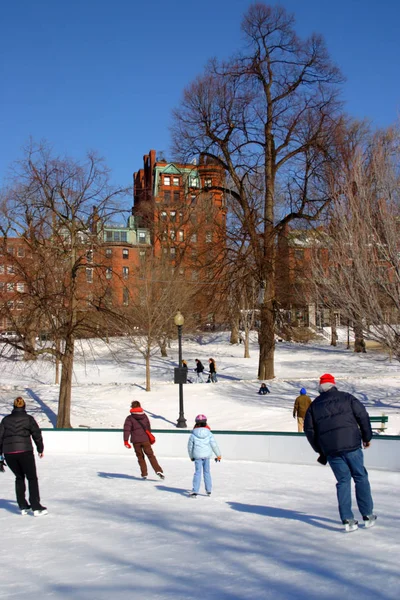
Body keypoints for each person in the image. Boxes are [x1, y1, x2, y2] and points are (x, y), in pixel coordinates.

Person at [304, 373, 376, 532]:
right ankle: (367, 514)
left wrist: (321, 450)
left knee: (343, 481)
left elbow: (309, 430)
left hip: (332, 450)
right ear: (333, 384)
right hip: (352, 445)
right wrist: (366, 437)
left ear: (320, 387)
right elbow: (362, 415)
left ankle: (347, 519)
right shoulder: (347, 397)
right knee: (360, 476)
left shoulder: (314, 406)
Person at [0, 396, 47, 516]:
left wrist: (0, 456)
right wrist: (40, 448)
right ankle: (36, 507)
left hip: (9, 453)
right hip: (25, 452)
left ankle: (23, 505)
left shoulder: (5, 420)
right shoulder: (28, 419)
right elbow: (36, 434)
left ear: (14, 407)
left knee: (19, 477)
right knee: (31, 478)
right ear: (24, 406)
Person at [123, 401, 165, 480]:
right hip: (145, 440)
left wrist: (126, 441)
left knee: (140, 457)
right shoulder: (144, 416)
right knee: (151, 455)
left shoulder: (130, 418)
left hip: (136, 441)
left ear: (132, 407)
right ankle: (158, 470)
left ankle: (144, 473)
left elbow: (127, 430)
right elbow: (148, 428)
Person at [187, 414, 221, 497]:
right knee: (207, 472)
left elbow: (190, 447)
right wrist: (218, 455)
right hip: (206, 456)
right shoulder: (209, 434)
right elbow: (214, 445)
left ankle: (195, 490)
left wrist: (191, 456)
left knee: (197, 473)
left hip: (197, 456)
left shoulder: (193, 434)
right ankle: (208, 490)